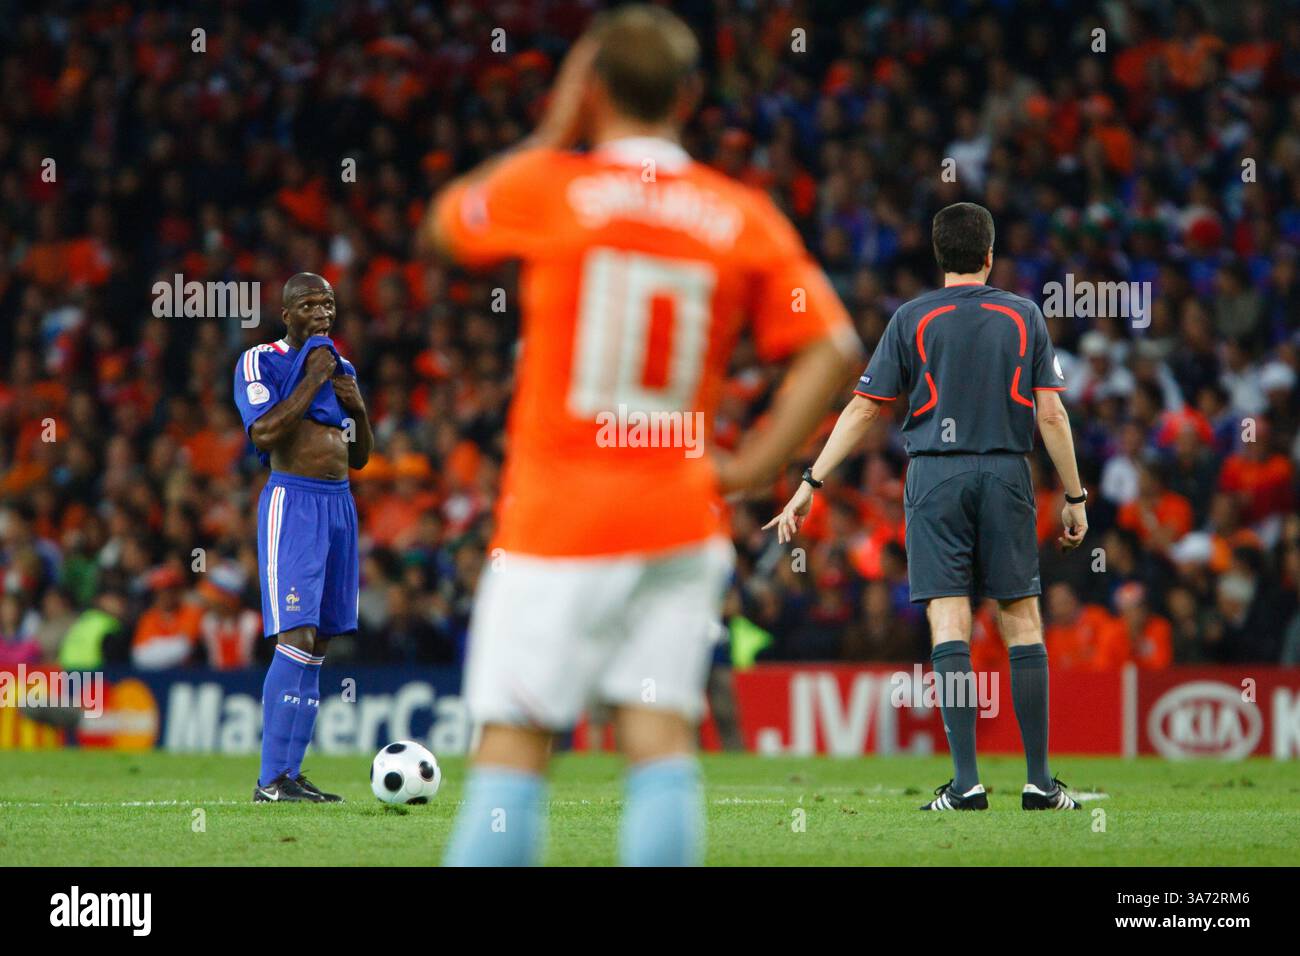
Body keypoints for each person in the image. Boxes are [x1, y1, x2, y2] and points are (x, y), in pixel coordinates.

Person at [425, 5, 858, 865]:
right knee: (660, 739)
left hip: (557, 523)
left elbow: (444, 225)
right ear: (691, 96)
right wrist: (748, 470)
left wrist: (553, 133)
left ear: (589, 90)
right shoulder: (738, 214)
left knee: (515, 742)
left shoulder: (552, 187)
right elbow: (835, 347)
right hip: (678, 515)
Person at [768, 202, 1087, 811]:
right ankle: (1039, 783)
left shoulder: (910, 318)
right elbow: (1051, 412)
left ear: (939, 256)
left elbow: (864, 408)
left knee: (949, 619)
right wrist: (1074, 497)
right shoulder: (1024, 316)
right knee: (1020, 617)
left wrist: (811, 481)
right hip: (1006, 472)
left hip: (935, 478)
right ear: (990, 255)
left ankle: (965, 783)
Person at [233, 272, 374, 803]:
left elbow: (359, 455)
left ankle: (289, 774)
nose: (322, 313)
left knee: (320, 645)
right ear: (287, 314)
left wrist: (356, 406)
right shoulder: (259, 361)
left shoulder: (342, 368)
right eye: (309, 305)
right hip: (293, 502)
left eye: (329, 303)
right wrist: (313, 378)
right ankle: (270, 780)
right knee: (294, 636)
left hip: (340, 505)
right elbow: (264, 434)